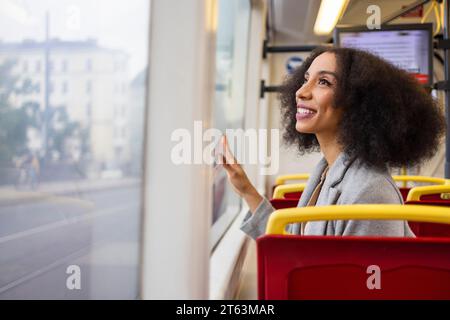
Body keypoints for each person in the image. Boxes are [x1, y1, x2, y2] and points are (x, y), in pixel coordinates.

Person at [220, 47, 445, 240]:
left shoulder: (370, 191)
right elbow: (300, 249)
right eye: (306, 79)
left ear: (357, 102)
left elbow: (369, 288)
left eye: (323, 82)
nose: (300, 92)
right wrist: (247, 190)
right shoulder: (327, 170)